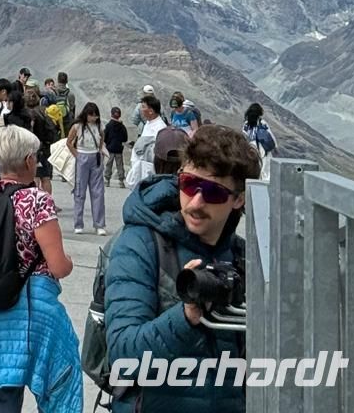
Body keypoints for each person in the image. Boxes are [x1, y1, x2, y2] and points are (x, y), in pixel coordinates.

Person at [105, 124, 259, 412]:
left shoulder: (241, 256)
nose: (196, 202)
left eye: (213, 192)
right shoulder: (140, 244)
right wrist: (187, 315)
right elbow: (122, 355)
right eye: (189, 184)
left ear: (238, 199)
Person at [0, 125, 79, 413]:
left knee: (2, 392)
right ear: (27, 161)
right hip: (31, 308)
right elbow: (58, 266)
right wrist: (69, 261)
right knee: (59, 380)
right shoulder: (36, 201)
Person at [67, 102, 107, 236]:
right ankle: (78, 223)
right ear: (86, 114)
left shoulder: (100, 126)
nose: (93, 118)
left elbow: (101, 139)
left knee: (98, 192)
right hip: (82, 155)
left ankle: (99, 224)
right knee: (80, 190)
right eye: (91, 115)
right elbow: (69, 142)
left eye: (95, 115)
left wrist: (100, 151)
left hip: (95, 156)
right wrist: (77, 155)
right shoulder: (77, 126)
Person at [125, 96, 164, 189]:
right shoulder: (148, 123)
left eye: (143, 107)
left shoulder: (160, 127)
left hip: (148, 170)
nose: (141, 109)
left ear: (151, 110)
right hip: (139, 167)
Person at [242, 103, 277, 182]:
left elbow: (244, 135)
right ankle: (265, 184)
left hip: (251, 147)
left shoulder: (246, 124)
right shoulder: (262, 122)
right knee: (266, 168)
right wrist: (275, 146)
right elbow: (269, 134)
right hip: (263, 147)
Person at [104, 107, 128, 186]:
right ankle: (121, 181)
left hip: (110, 149)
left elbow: (104, 137)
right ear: (120, 115)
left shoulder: (108, 125)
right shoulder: (122, 127)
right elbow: (125, 138)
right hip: (119, 149)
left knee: (108, 164)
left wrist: (107, 142)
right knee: (120, 165)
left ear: (111, 114)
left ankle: (107, 180)